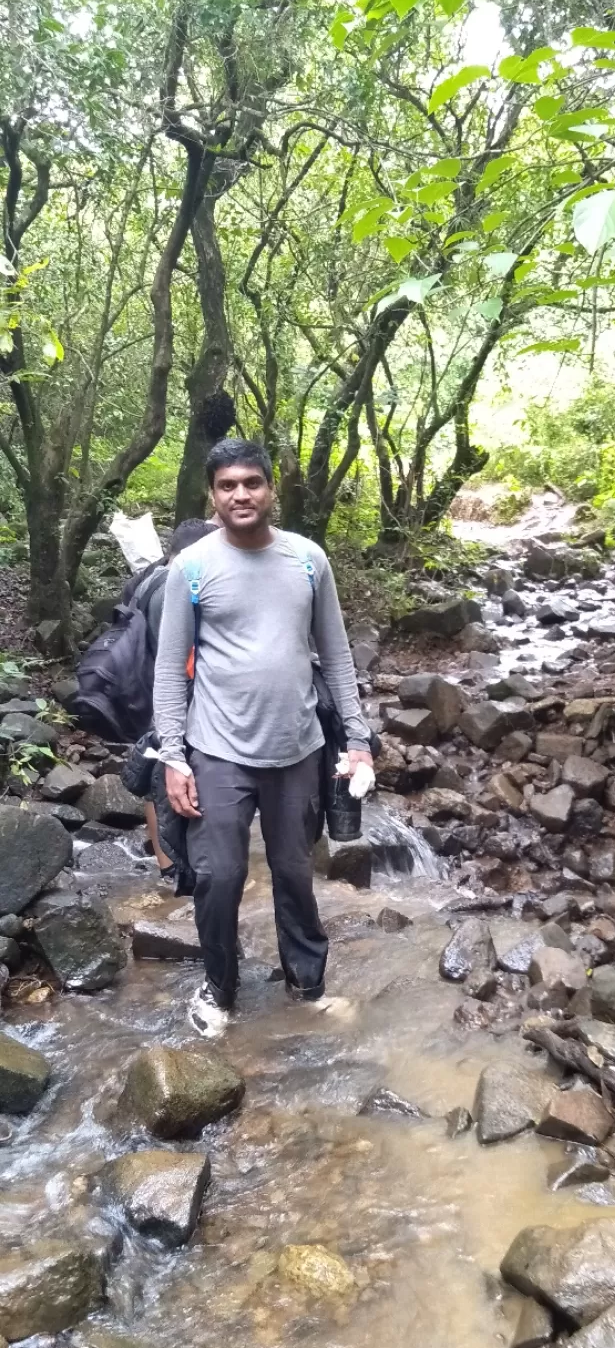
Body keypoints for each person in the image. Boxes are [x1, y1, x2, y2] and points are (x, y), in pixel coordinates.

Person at [153, 438, 374, 1038]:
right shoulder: (191, 568)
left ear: (272, 489)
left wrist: (358, 740)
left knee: (294, 872)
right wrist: (173, 756)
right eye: (228, 486)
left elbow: (336, 653)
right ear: (213, 495)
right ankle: (219, 988)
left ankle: (309, 985)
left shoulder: (307, 560)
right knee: (220, 877)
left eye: (252, 482)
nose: (241, 494)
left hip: (299, 747)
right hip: (217, 749)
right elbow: (171, 666)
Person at [134, 519, 216, 876]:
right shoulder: (175, 585)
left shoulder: (146, 580)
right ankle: (175, 864)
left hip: (143, 687)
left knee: (154, 777)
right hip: (174, 694)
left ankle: (164, 861)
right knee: (168, 775)